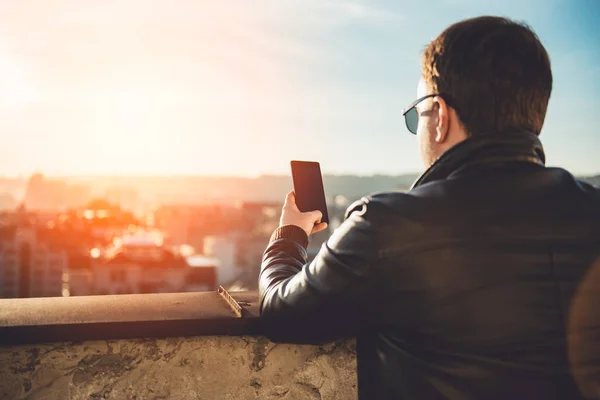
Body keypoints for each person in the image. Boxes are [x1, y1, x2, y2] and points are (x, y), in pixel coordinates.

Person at [259, 16, 600, 400]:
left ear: (439, 117)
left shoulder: (387, 225)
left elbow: (281, 312)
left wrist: (289, 235)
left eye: (416, 115)